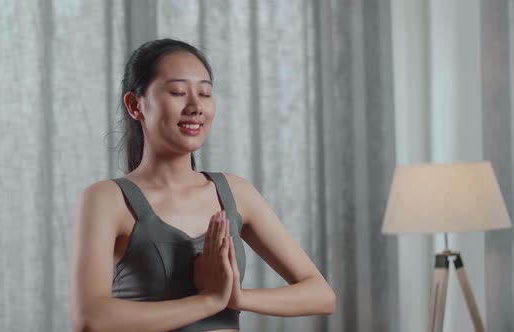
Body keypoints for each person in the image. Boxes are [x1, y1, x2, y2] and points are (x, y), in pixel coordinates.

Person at [68, 38, 336, 332]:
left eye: (205, 93)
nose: (196, 107)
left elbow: (321, 295)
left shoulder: (236, 193)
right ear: (135, 105)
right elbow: (90, 319)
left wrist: (239, 298)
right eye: (178, 92)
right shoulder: (107, 199)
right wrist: (209, 300)